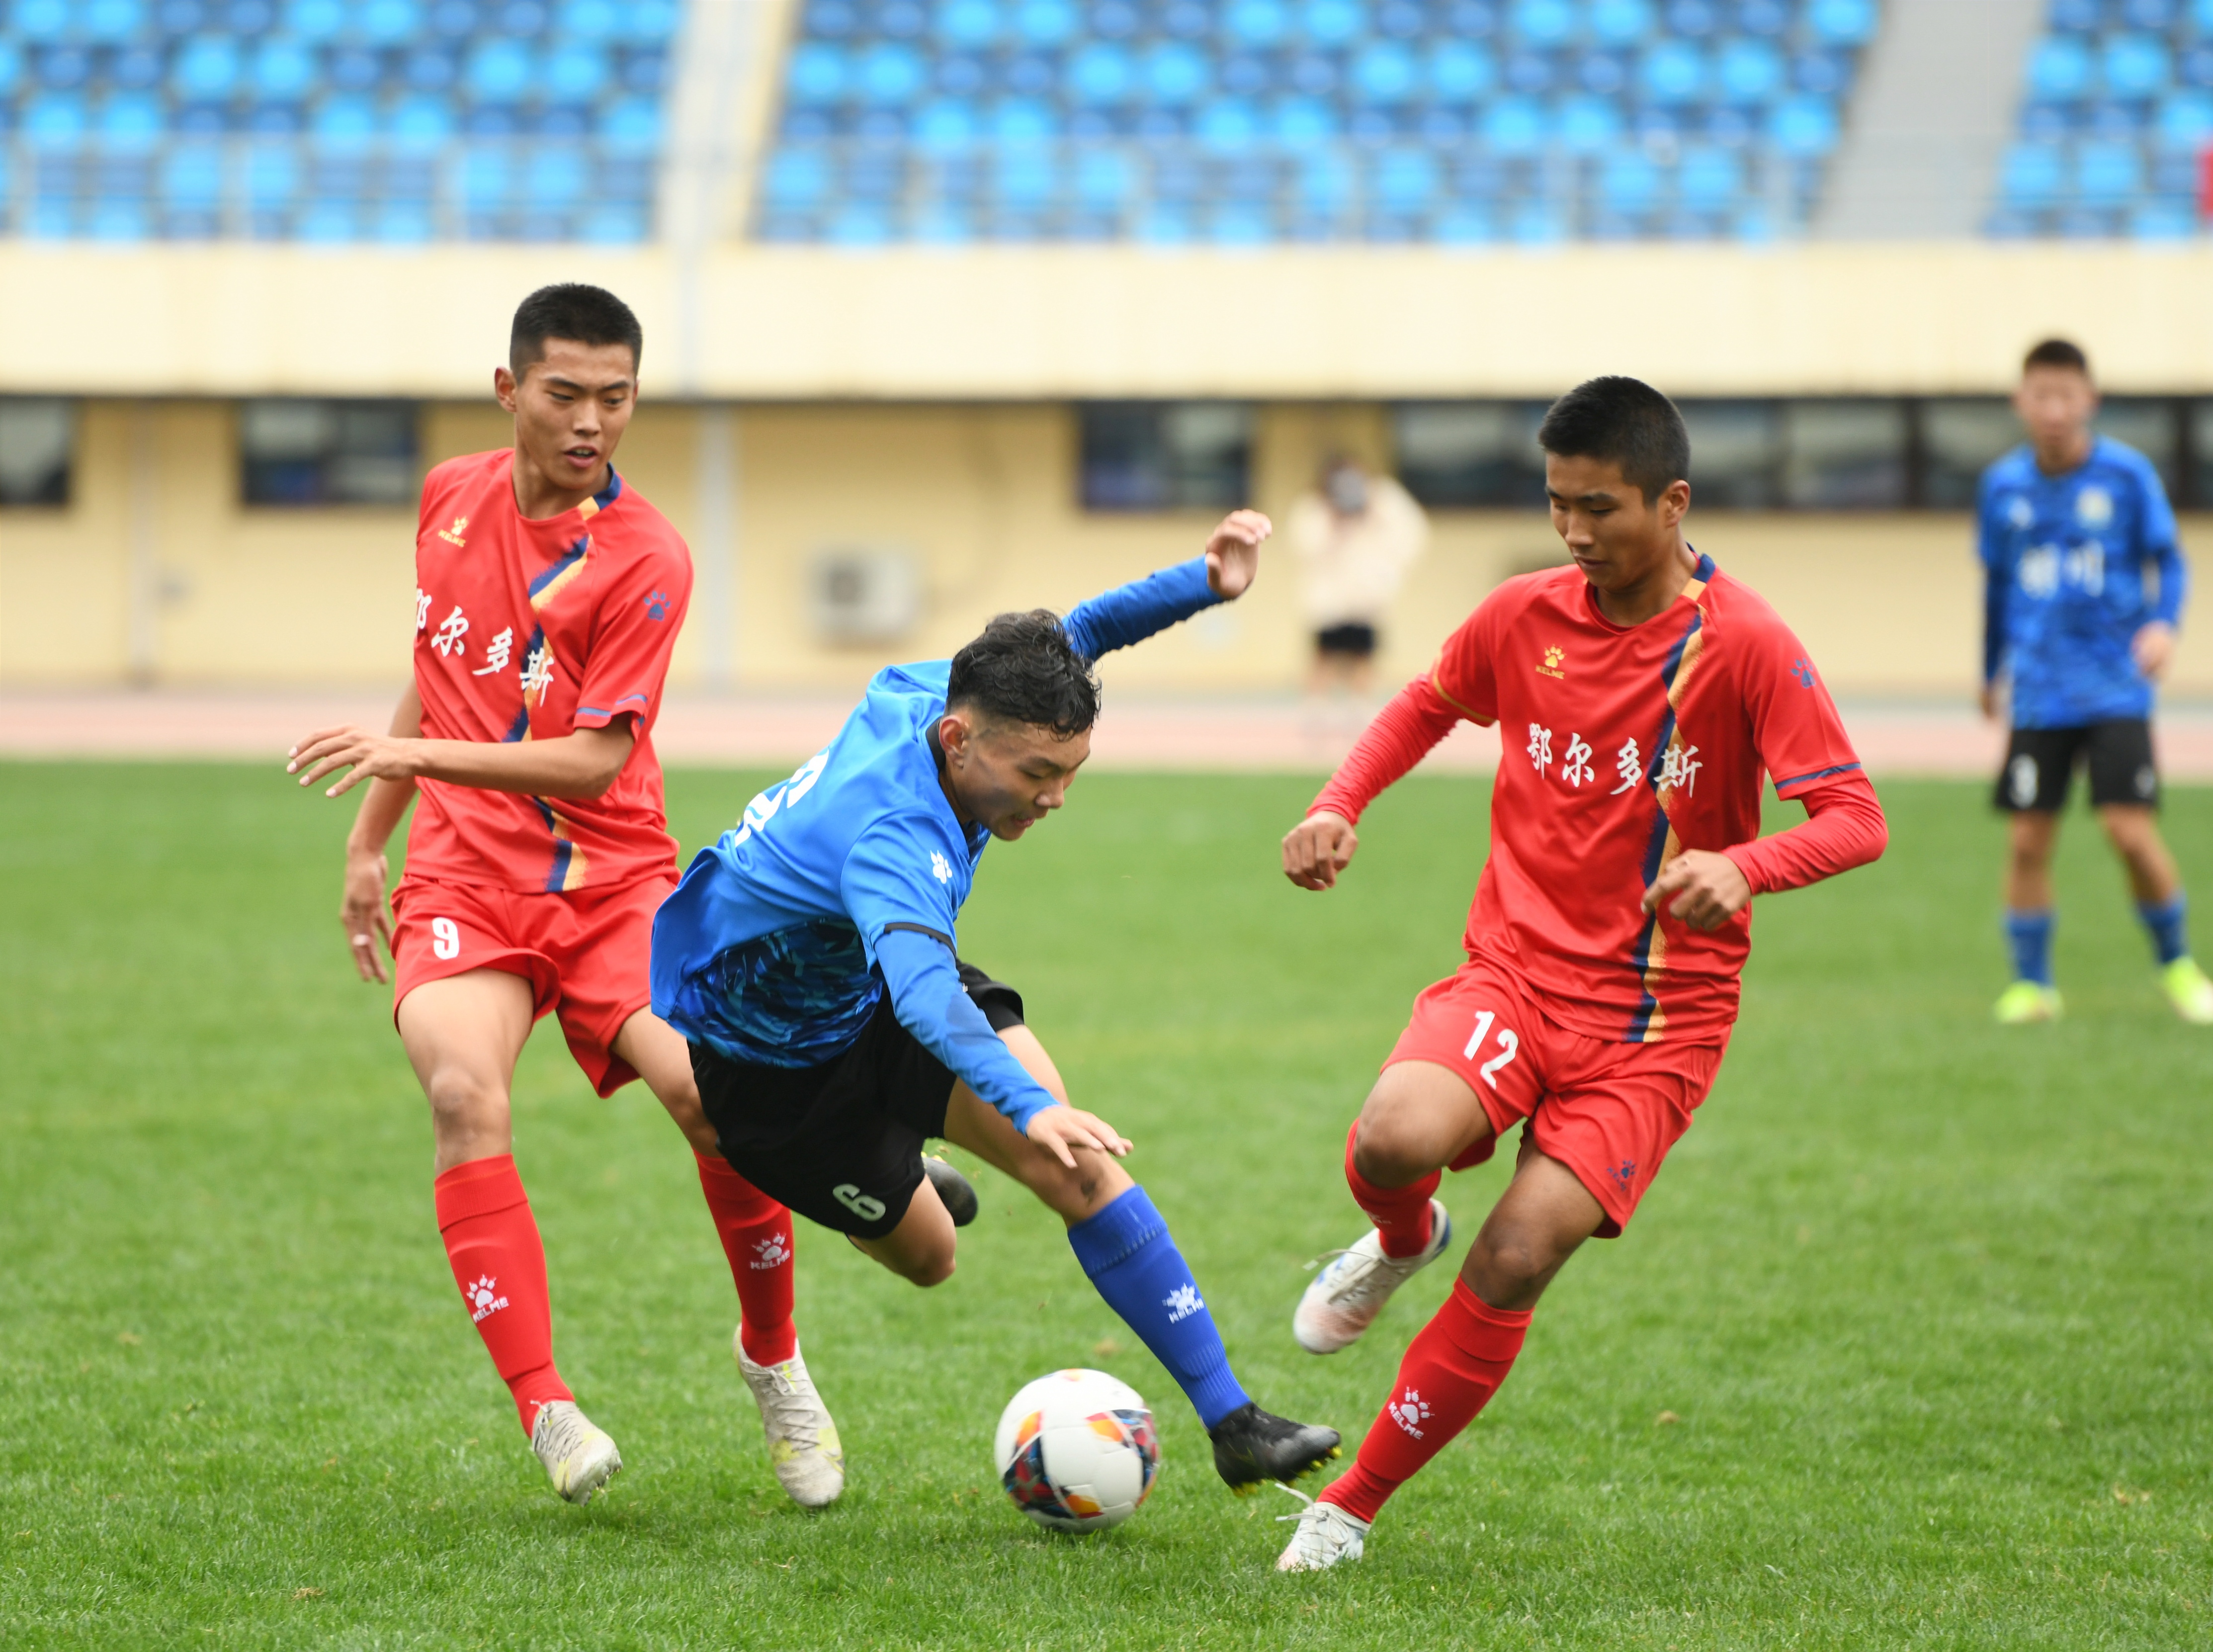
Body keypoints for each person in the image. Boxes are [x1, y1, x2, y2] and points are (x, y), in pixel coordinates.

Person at [1268, 377, 1888, 1571]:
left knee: (1515, 1252)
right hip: (1514, 970)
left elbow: (1852, 815)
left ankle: (1346, 1500)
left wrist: (1745, 864)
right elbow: (1424, 702)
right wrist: (1336, 800)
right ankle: (1400, 1238)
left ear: (1671, 502)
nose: (1571, 532)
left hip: (1656, 1021)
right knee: (1389, 1138)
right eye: (1555, 505)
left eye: (1595, 507)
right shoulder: (1521, 614)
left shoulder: (1743, 644)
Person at [649, 512, 1344, 1496]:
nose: (1055, 796)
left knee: (1075, 1163)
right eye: (1036, 775)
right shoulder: (892, 838)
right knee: (932, 1258)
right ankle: (910, 1172)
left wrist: (1205, 580)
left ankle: (1234, 1422)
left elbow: (1079, 633)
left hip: (869, 990)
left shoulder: (953, 692)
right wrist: (1027, 1102)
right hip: (775, 1076)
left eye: (1070, 770)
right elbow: (930, 1002)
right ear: (957, 741)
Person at [288, 283, 843, 1512]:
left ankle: (772, 1357)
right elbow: (435, 677)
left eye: (616, 395)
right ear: (509, 392)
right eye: (566, 393)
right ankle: (544, 1402)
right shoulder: (446, 497)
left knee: (711, 1097)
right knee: (459, 1088)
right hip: (465, 880)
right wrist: (368, 844)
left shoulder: (642, 555)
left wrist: (413, 768)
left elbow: (594, 760)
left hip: (612, 883)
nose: (593, 419)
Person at [1978, 338, 2213, 1026]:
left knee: (2128, 833)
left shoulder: (2125, 475)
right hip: (2035, 690)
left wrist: (2163, 624)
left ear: (2088, 399)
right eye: (2040, 395)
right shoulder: (2001, 486)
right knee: (2027, 839)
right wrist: (1986, 669)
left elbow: (2168, 562)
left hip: (2114, 687)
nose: (2053, 410)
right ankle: (2032, 986)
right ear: (2019, 401)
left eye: (2065, 395)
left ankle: (2175, 964)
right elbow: (1996, 587)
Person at [1290, 455, 1428, 698]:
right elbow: (1306, 547)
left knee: (1364, 661)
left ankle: (1361, 713)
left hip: (1367, 601)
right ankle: (1316, 715)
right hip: (1329, 605)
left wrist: (1372, 513)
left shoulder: (1383, 501)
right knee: (1323, 660)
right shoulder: (1315, 509)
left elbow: (1409, 536)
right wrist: (1334, 522)